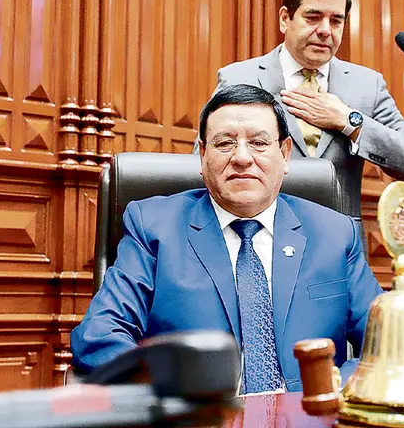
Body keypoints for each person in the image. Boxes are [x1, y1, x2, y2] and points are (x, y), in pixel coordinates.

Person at [71, 84, 382, 393]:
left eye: (259, 143)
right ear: (203, 155)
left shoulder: (335, 233)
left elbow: (384, 343)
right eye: (225, 144)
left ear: (285, 154)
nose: (242, 158)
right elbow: (99, 336)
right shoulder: (154, 226)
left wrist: (335, 391)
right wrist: (173, 396)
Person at [209, 0, 404, 223]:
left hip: (340, 247)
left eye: (336, 21)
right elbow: (205, 162)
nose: (326, 30)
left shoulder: (367, 85)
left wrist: (349, 121)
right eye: (313, 17)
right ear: (285, 18)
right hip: (256, 235)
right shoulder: (241, 77)